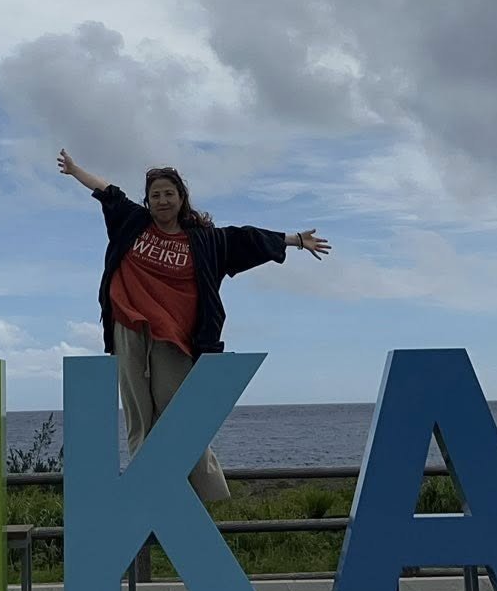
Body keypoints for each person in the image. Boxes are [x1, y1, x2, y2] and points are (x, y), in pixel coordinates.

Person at [57, 148, 331, 500]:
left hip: (176, 338)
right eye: (155, 195)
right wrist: (76, 169)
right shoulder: (133, 223)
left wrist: (296, 240)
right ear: (148, 201)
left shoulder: (204, 240)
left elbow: (248, 239)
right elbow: (108, 191)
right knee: (140, 418)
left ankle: (213, 496)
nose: (162, 200)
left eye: (169, 193)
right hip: (129, 327)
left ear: (181, 198)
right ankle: (146, 493)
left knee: (182, 420)